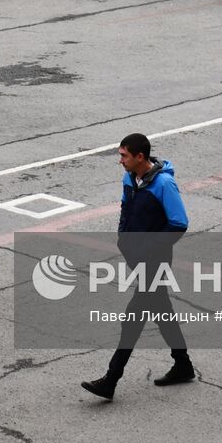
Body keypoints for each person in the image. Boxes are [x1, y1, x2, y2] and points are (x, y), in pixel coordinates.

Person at [81, 133, 192, 401]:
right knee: (162, 311)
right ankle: (183, 364)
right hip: (136, 257)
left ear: (140, 157)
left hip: (155, 261)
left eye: (124, 156)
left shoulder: (164, 184)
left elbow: (179, 223)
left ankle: (110, 380)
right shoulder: (129, 178)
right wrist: (123, 238)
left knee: (133, 318)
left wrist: (148, 248)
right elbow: (125, 208)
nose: (120, 161)